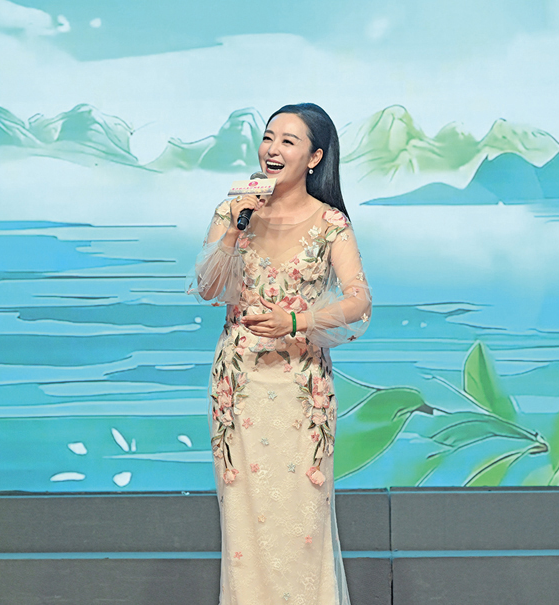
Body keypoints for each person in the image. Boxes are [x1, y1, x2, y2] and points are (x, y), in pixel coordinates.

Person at [188, 103, 371, 605]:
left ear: (314, 158)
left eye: (289, 141)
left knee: (301, 523)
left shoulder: (330, 223)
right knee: (244, 524)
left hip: (300, 387)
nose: (272, 149)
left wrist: (298, 321)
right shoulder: (232, 211)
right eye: (269, 137)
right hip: (239, 386)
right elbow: (209, 289)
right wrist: (234, 227)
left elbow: (358, 302)